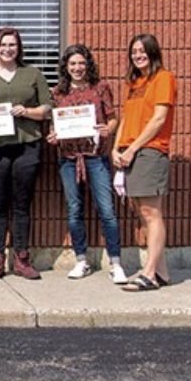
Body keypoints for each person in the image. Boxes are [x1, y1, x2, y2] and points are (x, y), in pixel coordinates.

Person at [0, 27, 52, 281]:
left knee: (21, 204)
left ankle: (22, 259)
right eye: (3, 45)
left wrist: (27, 112)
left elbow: (47, 108)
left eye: (12, 45)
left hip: (26, 146)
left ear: (19, 48)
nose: (7, 49)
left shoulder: (33, 74)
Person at [46, 44, 125, 284]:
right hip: (68, 159)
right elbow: (53, 125)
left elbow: (113, 119)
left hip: (96, 156)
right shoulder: (57, 92)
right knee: (74, 210)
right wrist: (53, 136)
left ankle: (116, 263)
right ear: (65, 67)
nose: (77, 68)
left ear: (87, 64)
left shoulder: (100, 88)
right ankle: (81, 260)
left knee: (107, 210)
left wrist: (107, 129)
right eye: (72, 64)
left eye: (81, 63)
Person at [112, 34, 176, 292]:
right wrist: (116, 148)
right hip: (130, 151)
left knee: (152, 213)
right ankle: (161, 273)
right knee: (144, 212)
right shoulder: (133, 83)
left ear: (152, 52)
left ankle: (149, 273)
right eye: (134, 51)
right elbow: (126, 119)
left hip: (150, 151)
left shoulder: (163, 79)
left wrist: (133, 148)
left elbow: (159, 120)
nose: (138, 55)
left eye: (142, 51)